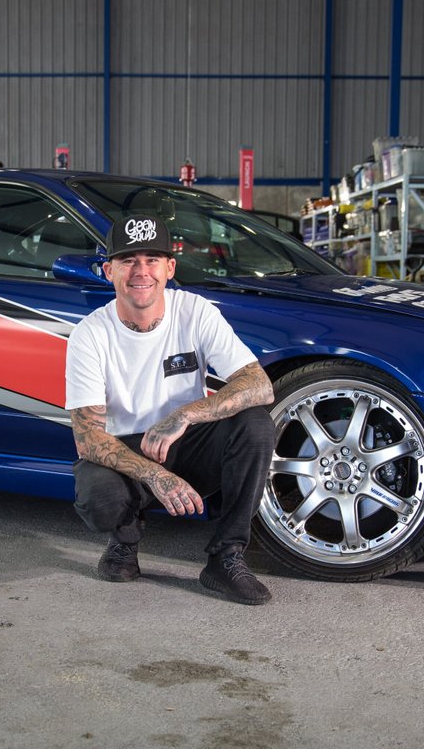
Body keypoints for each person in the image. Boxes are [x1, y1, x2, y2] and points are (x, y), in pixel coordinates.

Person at [65, 215, 276, 605]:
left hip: (185, 439)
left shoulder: (195, 312)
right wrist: (156, 475)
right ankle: (124, 542)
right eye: (128, 261)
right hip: (126, 451)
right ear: (109, 271)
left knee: (256, 425)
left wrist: (185, 415)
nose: (141, 271)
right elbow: (87, 438)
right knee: (99, 497)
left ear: (170, 268)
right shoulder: (89, 335)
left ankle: (226, 558)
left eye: (152, 259)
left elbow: (259, 385)